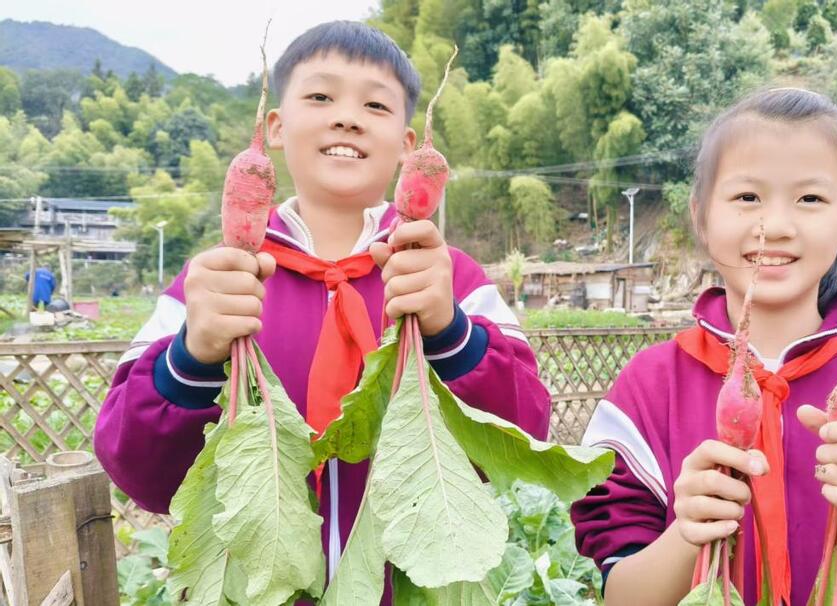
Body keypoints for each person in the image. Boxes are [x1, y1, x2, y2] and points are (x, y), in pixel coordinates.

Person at [94, 20, 550, 595]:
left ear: (409, 147)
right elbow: (136, 469)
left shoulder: (448, 276)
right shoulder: (213, 284)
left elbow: (525, 431)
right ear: (276, 129)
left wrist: (451, 330)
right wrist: (192, 356)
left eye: (376, 105)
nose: (347, 117)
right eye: (321, 96)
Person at [570, 88, 837, 605]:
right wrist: (685, 533)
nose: (774, 226)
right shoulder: (649, 386)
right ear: (702, 216)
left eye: (810, 199)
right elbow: (621, 596)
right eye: (747, 197)